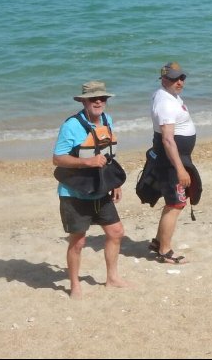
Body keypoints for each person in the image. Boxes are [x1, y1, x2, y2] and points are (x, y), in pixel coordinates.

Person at [52, 80, 130, 298]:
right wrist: (86, 163)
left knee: (116, 232)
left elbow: (107, 155)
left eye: (102, 98)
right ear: (83, 101)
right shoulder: (71, 126)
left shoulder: (107, 120)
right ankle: (75, 284)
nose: (98, 101)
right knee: (79, 242)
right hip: (74, 192)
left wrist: (115, 182)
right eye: (93, 98)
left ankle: (112, 278)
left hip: (100, 188)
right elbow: (57, 158)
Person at [149, 61, 196, 264]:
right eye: (175, 78)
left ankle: (159, 242)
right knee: (176, 203)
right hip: (171, 161)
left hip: (176, 157)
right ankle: (165, 251)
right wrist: (180, 169)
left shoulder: (169, 96)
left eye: (182, 78)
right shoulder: (166, 103)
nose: (180, 82)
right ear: (164, 79)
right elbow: (168, 139)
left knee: (174, 202)